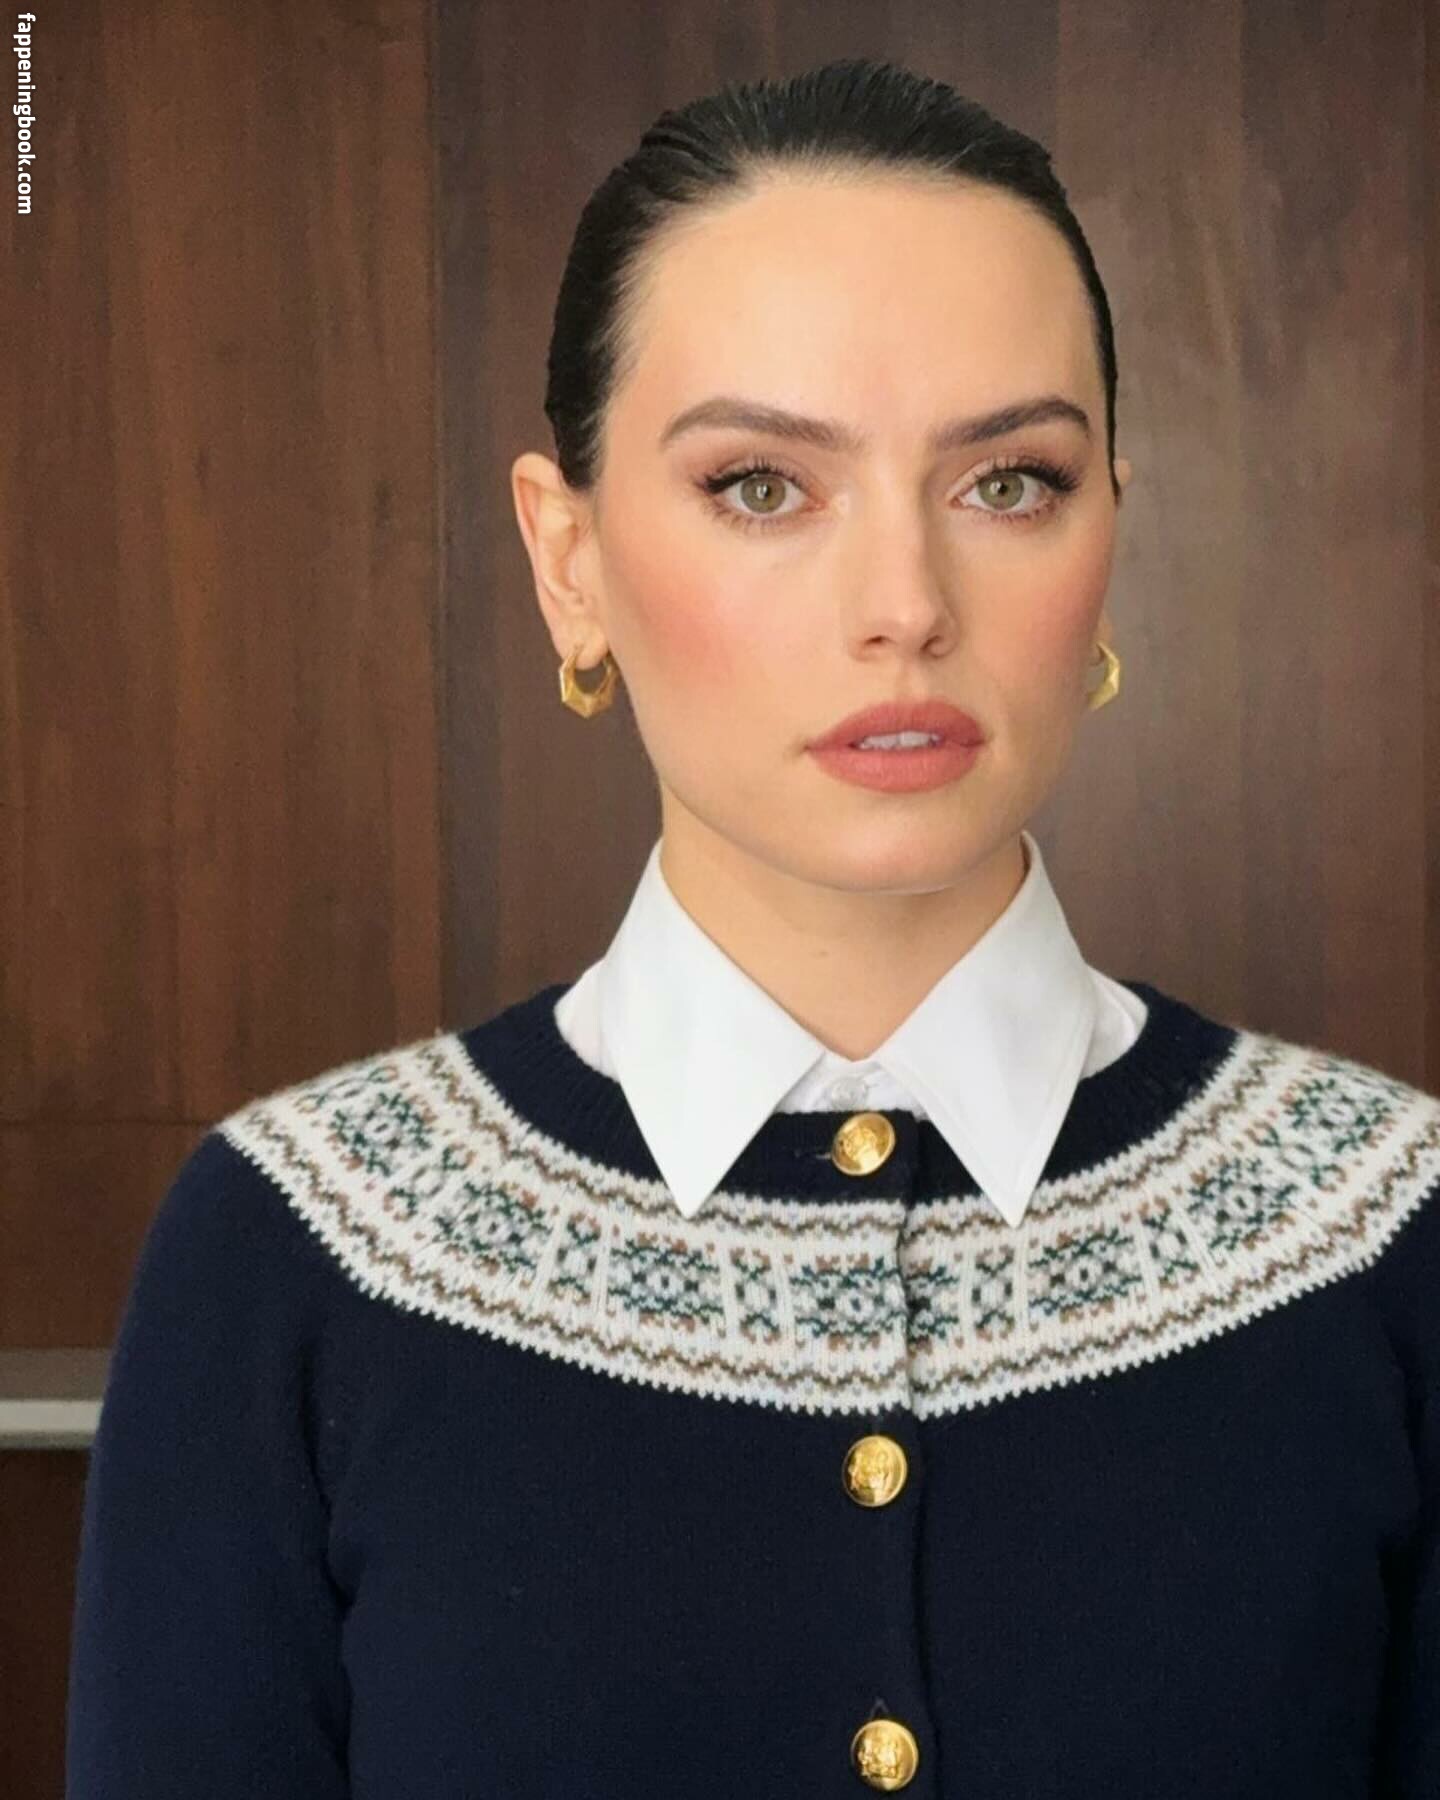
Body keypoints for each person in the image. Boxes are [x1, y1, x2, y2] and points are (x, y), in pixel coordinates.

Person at [66, 57, 1440, 1799]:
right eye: (763, 487)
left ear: (1113, 527)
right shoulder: (296, 1257)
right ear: (568, 558)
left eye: (1010, 481)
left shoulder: (1389, 1231)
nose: (905, 607)